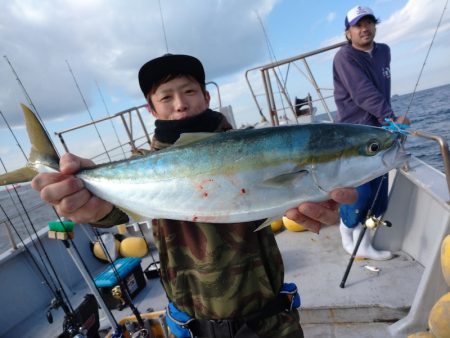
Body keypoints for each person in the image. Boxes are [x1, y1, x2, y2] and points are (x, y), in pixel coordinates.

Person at [32, 54, 357, 338]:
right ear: (151, 107)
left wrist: (323, 208)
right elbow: (117, 212)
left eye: (189, 91)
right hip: (191, 327)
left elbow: (297, 195)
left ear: (206, 95)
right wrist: (90, 206)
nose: (180, 103)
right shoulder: (139, 170)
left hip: (270, 323)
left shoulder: (258, 147)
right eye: (166, 97)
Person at [333, 5, 411, 260]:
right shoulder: (344, 57)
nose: (365, 28)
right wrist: (391, 119)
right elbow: (362, 92)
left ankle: (364, 243)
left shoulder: (384, 51)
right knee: (360, 192)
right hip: (355, 134)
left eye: (369, 22)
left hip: (380, 130)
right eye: (358, 25)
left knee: (379, 194)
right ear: (348, 33)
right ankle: (347, 232)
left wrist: (388, 123)